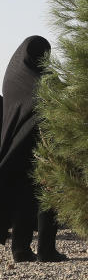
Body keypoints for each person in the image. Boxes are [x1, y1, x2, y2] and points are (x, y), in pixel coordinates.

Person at [0, 36, 66, 262]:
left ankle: (20, 249)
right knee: (49, 194)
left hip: (17, 146)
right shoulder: (44, 80)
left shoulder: (13, 77)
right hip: (45, 144)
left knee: (23, 196)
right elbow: (59, 100)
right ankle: (46, 249)